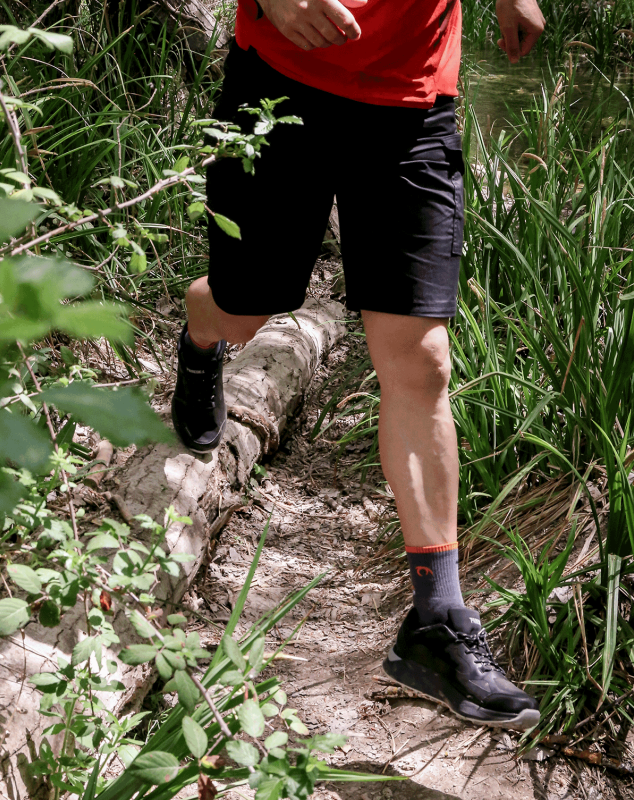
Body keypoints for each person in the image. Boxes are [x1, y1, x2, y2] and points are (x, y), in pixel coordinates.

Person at [171, 0, 546, 730]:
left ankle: (437, 621)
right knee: (249, 306)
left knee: (422, 361)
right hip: (280, 81)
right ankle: (201, 337)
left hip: (412, 103)